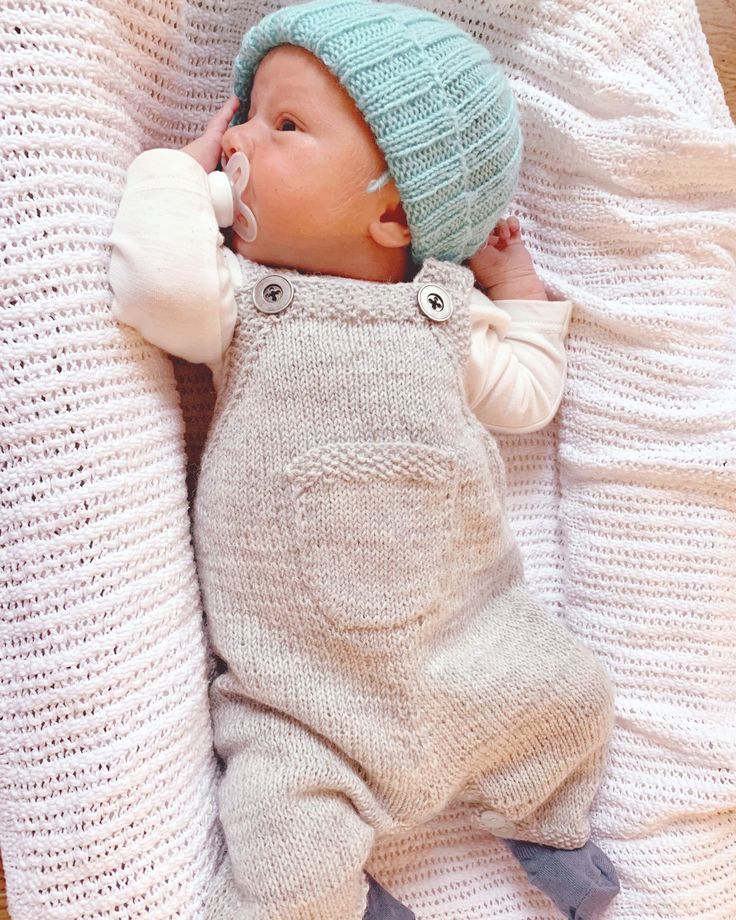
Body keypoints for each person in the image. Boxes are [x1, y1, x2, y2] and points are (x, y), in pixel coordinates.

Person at [109, 2, 619, 917]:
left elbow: (526, 397)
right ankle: (335, 900)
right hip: (304, 702)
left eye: (285, 125)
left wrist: (517, 289)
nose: (237, 144)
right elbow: (158, 283)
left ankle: (553, 827)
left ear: (394, 213)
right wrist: (168, 178)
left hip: (470, 644)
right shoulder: (242, 300)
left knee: (572, 696)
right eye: (246, 115)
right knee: (286, 839)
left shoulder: (448, 319)